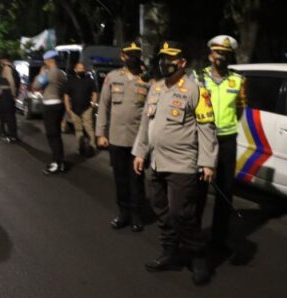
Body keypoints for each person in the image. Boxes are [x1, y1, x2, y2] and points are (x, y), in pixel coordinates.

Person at [133, 40, 218, 286]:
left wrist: (207, 162)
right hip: (157, 162)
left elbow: (206, 127)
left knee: (182, 212)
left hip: (182, 163)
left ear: (182, 63)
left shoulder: (196, 90)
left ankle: (197, 255)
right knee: (161, 210)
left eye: (170, 59)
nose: (164, 63)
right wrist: (140, 152)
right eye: (162, 58)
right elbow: (145, 124)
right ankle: (170, 253)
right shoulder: (156, 88)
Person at [194, 35, 246, 253]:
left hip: (227, 141)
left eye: (225, 54)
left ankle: (218, 239)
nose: (221, 57)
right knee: (198, 191)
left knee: (225, 192)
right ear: (210, 55)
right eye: (218, 53)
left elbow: (241, 108)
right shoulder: (198, 78)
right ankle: (193, 238)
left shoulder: (239, 80)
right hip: (202, 140)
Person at [96, 42, 149, 232]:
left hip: (137, 140)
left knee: (137, 179)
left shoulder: (146, 79)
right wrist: (101, 133)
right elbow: (104, 106)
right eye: (130, 54)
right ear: (122, 56)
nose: (133, 57)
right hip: (116, 138)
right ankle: (123, 213)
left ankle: (136, 215)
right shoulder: (112, 77)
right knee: (120, 179)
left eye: (136, 54)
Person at [32, 50, 68, 175]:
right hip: (59, 105)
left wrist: (40, 74)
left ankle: (56, 163)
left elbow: (35, 86)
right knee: (56, 135)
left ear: (50, 61)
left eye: (45, 61)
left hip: (50, 106)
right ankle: (60, 162)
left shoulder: (49, 73)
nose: (44, 63)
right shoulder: (62, 73)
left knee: (52, 135)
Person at [64, 62, 98, 156]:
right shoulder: (70, 81)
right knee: (78, 130)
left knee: (89, 128)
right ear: (75, 70)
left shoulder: (89, 80)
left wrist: (93, 105)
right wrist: (68, 108)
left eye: (82, 68)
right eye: (78, 68)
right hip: (74, 110)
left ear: (84, 70)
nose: (80, 70)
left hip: (87, 109)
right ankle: (80, 148)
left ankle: (92, 146)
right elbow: (66, 95)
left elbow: (95, 92)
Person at [0, 54, 20, 143]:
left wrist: (13, 95)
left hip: (7, 96)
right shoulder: (7, 68)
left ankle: (13, 136)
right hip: (4, 95)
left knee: (9, 116)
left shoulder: (8, 68)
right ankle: (4, 132)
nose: (0, 62)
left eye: (1, 60)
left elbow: (11, 83)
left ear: (4, 60)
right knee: (3, 114)